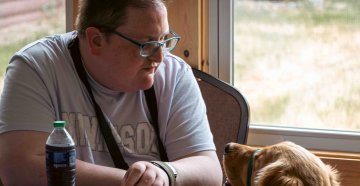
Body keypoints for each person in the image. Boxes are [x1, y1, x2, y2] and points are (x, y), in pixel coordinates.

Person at [0, 0, 223, 185]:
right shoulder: (37, 67)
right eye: (146, 45)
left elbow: (209, 170)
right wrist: (136, 182)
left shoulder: (174, 74)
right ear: (96, 40)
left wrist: (165, 173)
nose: (159, 57)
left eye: (164, 41)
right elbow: (19, 168)